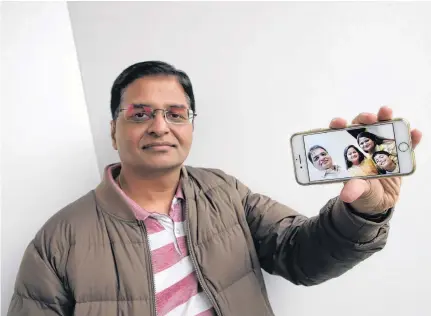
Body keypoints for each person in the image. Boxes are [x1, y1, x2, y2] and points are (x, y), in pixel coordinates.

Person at [8, 61, 422, 316]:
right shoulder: (55, 243)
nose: (159, 126)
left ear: (191, 127)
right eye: (139, 114)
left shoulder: (225, 191)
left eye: (175, 113)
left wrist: (361, 214)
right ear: (113, 132)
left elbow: (301, 257)